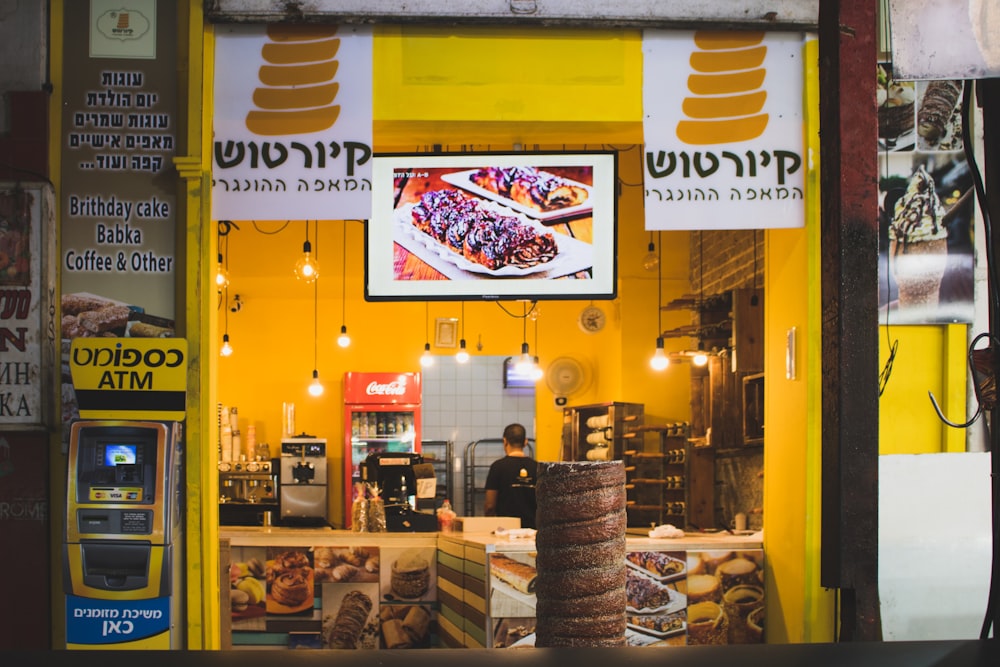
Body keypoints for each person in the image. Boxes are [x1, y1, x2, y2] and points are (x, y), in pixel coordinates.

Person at [483, 423, 537, 529]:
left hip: (505, 530)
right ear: (525, 442)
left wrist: (489, 526)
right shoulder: (537, 467)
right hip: (532, 531)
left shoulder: (498, 467)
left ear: (505, 441)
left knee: (493, 547)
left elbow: (490, 506)